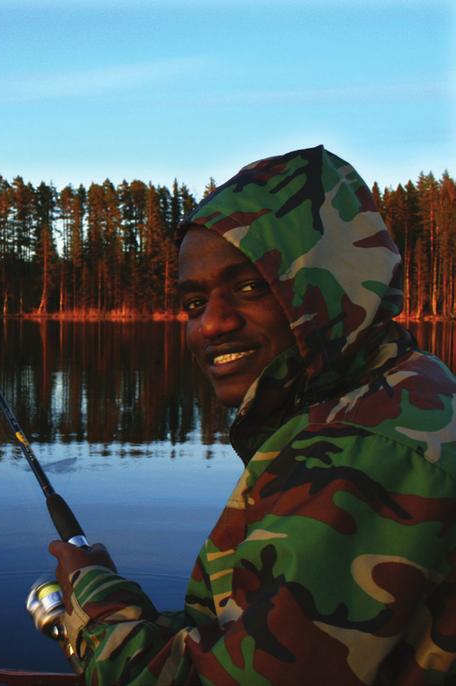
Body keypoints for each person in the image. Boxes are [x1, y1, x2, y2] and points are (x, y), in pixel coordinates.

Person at [48, 146, 456, 685]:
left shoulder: (367, 452)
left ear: (329, 285)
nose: (211, 325)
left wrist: (96, 606)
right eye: (194, 303)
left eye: (249, 286)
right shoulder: (395, 392)